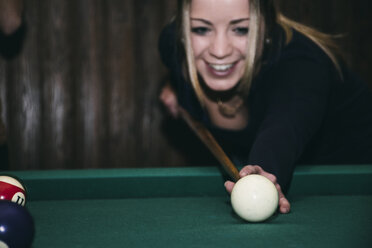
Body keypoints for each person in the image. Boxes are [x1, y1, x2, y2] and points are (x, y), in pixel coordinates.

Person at [158, 0, 372, 214]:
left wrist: (263, 170)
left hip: (356, 182)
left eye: (241, 29)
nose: (220, 50)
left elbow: (284, 127)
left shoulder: (303, 65)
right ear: (183, 33)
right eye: (201, 29)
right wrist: (175, 84)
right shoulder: (172, 46)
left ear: (266, 29)